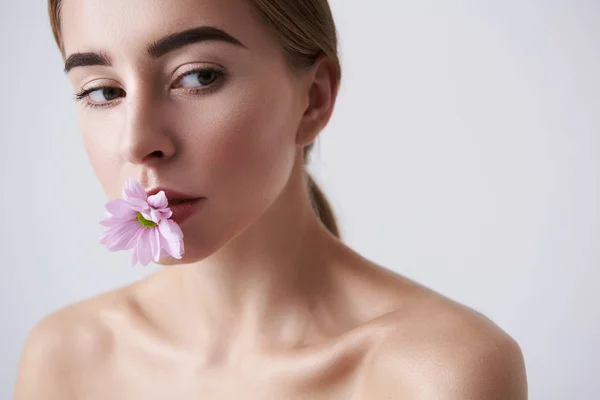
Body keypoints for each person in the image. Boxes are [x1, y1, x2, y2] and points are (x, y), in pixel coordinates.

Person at [14, 0, 527, 398]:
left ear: (314, 98)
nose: (137, 141)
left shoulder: (443, 371)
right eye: (103, 92)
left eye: (198, 76)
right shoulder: (64, 357)